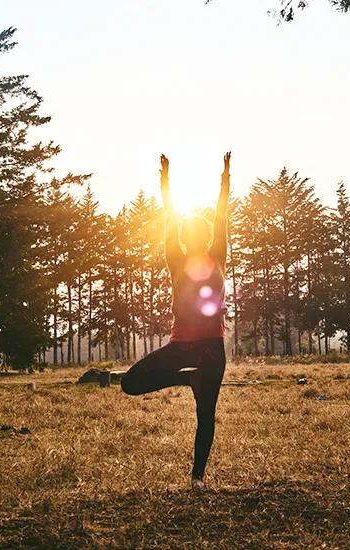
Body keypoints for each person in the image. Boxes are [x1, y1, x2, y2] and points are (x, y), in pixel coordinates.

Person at [121, 152, 231, 492]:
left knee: (205, 414)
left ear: (188, 235)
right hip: (192, 347)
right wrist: (221, 178)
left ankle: (198, 478)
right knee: (134, 385)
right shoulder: (180, 258)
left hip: (198, 346)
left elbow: (215, 220)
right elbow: (204, 219)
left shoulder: (210, 255)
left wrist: (168, 182)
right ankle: (189, 382)